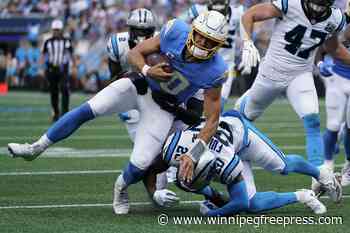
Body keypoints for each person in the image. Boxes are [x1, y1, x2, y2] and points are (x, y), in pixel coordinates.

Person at [8, 11, 229, 215]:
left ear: (218, 45)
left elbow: (211, 120)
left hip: (164, 107)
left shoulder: (216, 71)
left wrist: (194, 153)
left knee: (141, 163)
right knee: (90, 108)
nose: (201, 42)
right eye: (200, 36)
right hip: (139, 85)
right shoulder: (176, 31)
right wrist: (147, 70)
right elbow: (135, 53)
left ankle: (120, 187)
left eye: (209, 41)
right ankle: (35, 147)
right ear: (193, 31)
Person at [234, 0, 350, 185]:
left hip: (300, 74)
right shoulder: (290, 4)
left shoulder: (335, 18)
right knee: (243, 118)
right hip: (271, 74)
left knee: (312, 120)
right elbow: (250, 15)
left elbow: (334, 48)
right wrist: (247, 43)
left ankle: (320, 176)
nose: (318, 5)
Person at [143, 110, 340, 216]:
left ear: (212, 173)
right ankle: (303, 196)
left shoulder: (225, 163)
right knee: (252, 204)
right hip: (220, 144)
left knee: (283, 166)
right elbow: (150, 169)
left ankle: (321, 173)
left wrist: (216, 214)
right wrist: (155, 193)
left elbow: (239, 203)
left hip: (242, 136)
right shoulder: (173, 149)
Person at [187, 0, 244, 108]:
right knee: (192, 102)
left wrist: (246, 50)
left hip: (225, 66)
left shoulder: (238, 13)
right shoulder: (198, 11)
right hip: (202, 62)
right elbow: (187, 33)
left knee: (217, 106)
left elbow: (244, 36)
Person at [318, 5, 350, 186]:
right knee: (333, 125)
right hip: (337, 77)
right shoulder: (338, 21)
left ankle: (348, 168)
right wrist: (321, 63)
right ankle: (327, 169)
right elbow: (319, 47)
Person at [42, 19, 74, 122]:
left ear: (61, 30)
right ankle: (56, 113)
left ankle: (65, 112)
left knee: (64, 89)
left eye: (58, 29)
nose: (56, 31)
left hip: (63, 68)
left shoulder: (66, 41)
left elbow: (70, 54)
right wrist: (44, 67)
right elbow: (44, 55)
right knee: (53, 91)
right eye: (54, 29)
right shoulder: (48, 42)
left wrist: (70, 65)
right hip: (51, 69)